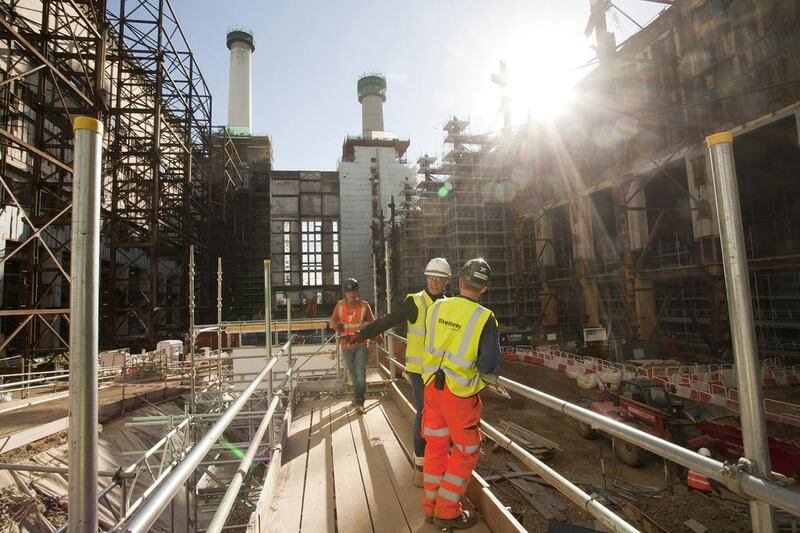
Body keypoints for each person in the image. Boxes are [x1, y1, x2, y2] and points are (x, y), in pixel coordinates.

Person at [355, 257, 452, 487]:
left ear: (446, 282)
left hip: (442, 371)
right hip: (419, 371)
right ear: (426, 278)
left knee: (444, 415)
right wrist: (361, 335)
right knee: (424, 412)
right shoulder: (415, 303)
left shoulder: (450, 305)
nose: (435, 283)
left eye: (440, 279)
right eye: (431, 278)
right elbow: (388, 320)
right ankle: (420, 464)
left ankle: (440, 460)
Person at [420, 258, 501, 529]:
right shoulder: (484, 318)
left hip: (432, 387)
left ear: (460, 282)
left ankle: (431, 507)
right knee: (466, 450)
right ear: (484, 289)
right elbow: (489, 364)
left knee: (436, 446)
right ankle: (447, 510)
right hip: (460, 395)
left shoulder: (438, 307)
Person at [330, 278, 375, 413]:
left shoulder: (364, 306)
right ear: (345, 293)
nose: (352, 295)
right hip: (345, 345)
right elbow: (333, 320)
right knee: (353, 374)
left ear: (358, 292)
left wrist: (363, 327)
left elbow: (372, 322)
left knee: (360, 373)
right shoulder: (339, 306)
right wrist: (336, 325)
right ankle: (357, 397)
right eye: (349, 293)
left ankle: (360, 401)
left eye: (354, 292)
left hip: (361, 343)